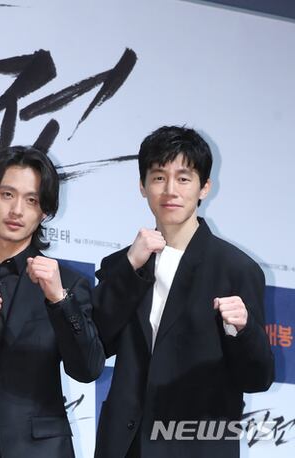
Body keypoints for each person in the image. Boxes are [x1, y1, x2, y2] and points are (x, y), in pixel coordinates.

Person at [92, 126, 275, 458]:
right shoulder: (122, 264)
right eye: (159, 178)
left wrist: (243, 330)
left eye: (184, 178)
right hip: (125, 446)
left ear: (204, 188)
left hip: (196, 445)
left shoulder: (236, 269)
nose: (170, 190)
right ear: (142, 186)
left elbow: (257, 378)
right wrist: (130, 269)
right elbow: (94, 351)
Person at [0, 146, 105, 458]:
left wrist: (59, 300)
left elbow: (87, 369)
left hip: (39, 450)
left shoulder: (66, 283)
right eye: (7, 195)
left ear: (45, 211)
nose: (17, 210)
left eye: (32, 200)